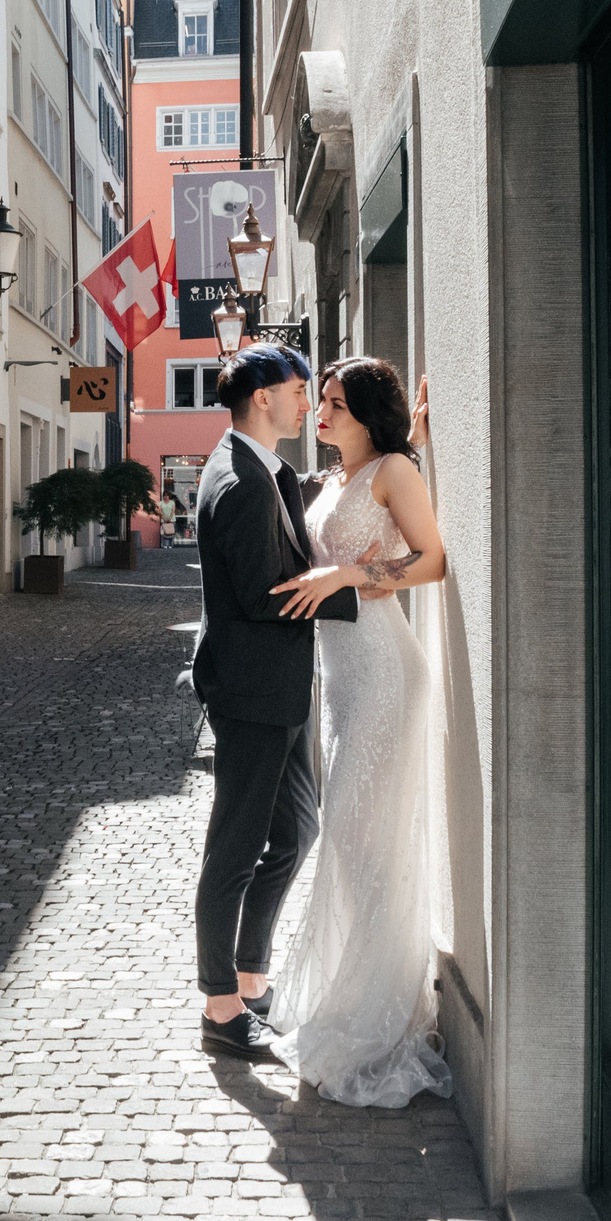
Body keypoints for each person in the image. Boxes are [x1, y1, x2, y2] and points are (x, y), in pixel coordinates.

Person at [262, 356, 453, 1106]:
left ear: (368, 413)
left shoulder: (390, 470)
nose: (322, 412)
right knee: (351, 840)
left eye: (336, 403)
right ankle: (362, 998)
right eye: (323, 402)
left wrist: (348, 578)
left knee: (350, 831)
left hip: (384, 672)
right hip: (341, 681)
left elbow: (433, 560)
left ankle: (387, 1013)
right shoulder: (338, 478)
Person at [185, 345, 354, 1062]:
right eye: (296, 390)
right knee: (235, 846)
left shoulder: (262, 468)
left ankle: (250, 977)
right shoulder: (240, 481)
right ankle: (221, 1008)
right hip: (254, 694)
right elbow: (263, 593)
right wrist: (355, 584)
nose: (303, 403)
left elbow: (299, 498)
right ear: (262, 398)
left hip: (276, 690)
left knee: (296, 832)